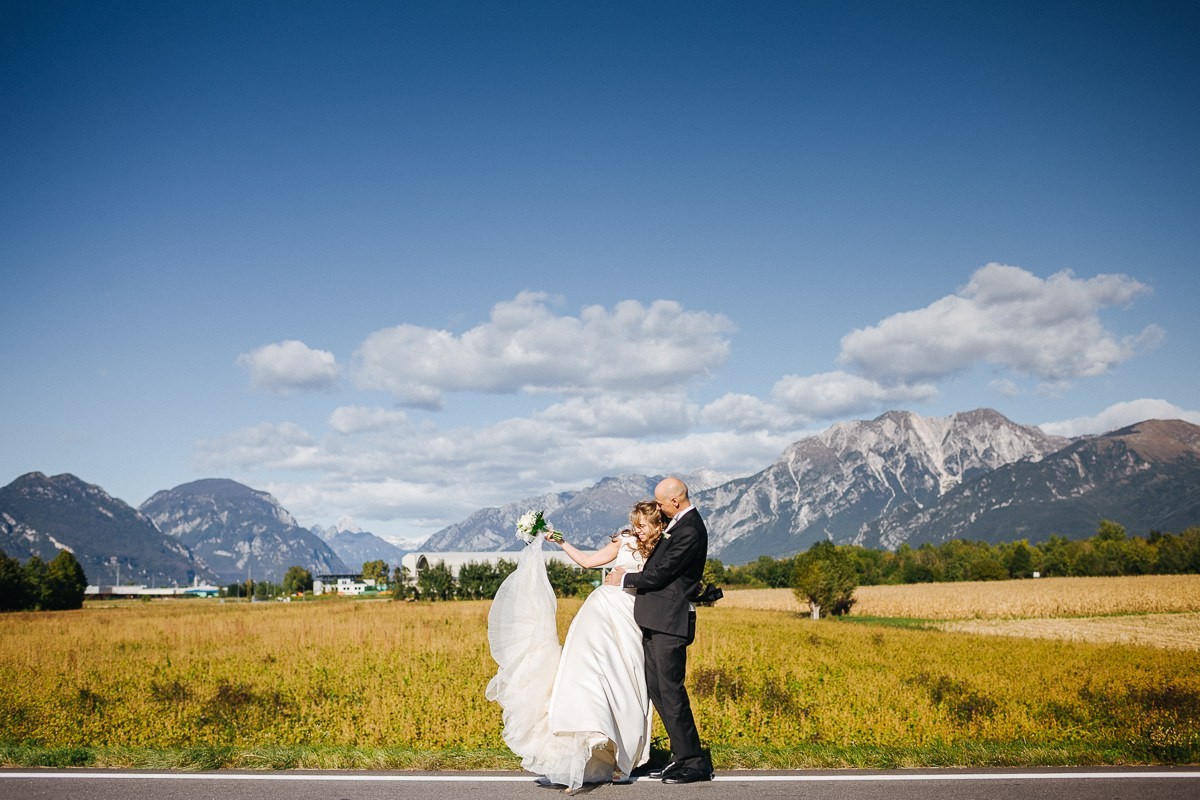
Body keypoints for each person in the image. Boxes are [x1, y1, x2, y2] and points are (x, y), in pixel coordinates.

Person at [486, 502, 665, 793]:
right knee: (588, 676)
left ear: (658, 525)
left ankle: (623, 754)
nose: (637, 529)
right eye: (635, 523)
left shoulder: (665, 546)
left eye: (643, 525)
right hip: (600, 611)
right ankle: (589, 738)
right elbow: (588, 562)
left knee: (627, 681)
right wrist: (561, 541)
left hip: (631, 617)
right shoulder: (625, 540)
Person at [604, 477, 714, 784]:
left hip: (670, 621)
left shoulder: (690, 530)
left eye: (662, 503)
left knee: (671, 690)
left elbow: (661, 573)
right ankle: (682, 756)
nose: (659, 509)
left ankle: (694, 762)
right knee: (658, 688)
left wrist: (624, 580)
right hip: (656, 619)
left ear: (675, 502)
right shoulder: (677, 524)